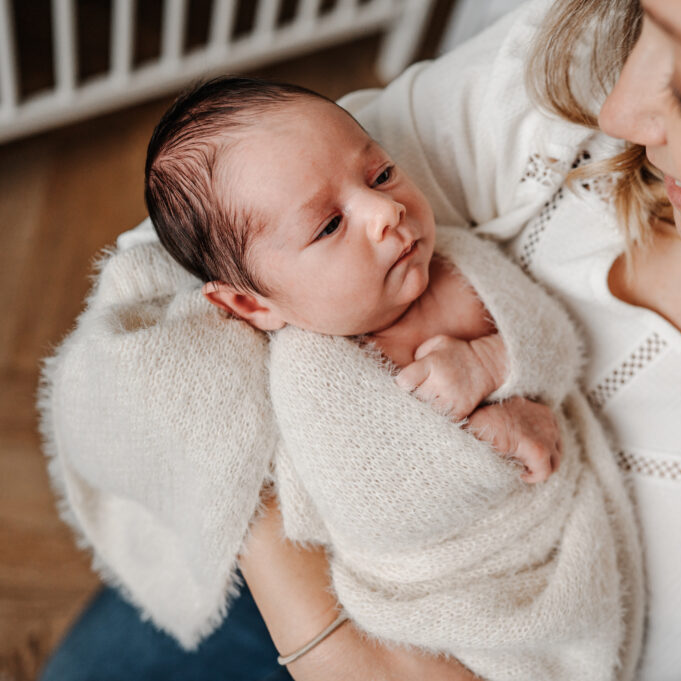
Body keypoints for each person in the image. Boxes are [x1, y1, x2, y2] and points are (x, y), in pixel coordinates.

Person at [40, 0, 681, 679]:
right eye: (648, 20)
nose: (618, 111)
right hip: (256, 556)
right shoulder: (567, 77)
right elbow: (186, 238)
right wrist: (316, 611)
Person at [41, 76, 644, 681]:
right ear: (253, 307)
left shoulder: (456, 264)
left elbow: (553, 344)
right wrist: (499, 433)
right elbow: (378, 505)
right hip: (420, 586)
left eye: (380, 174)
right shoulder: (313, 371)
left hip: (529, 564)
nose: (387, 212)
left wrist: (491, 362)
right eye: (329, 226)